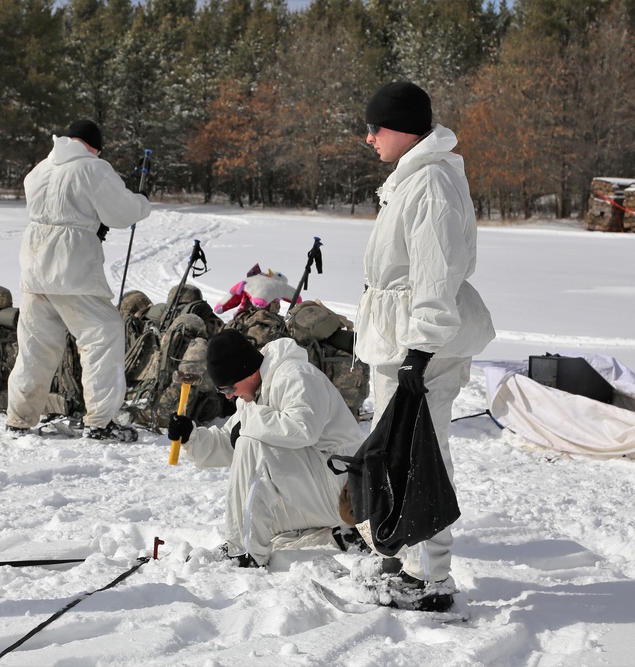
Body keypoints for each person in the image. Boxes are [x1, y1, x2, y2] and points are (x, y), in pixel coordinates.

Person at [355, 82, 495, 611]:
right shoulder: (411, 179)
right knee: (399, 454)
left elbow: (436, 275)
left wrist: (420, 349)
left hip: (420, 349)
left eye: (375, 128)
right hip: (400, 343)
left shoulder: (431, 183)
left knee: (423, 458)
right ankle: (400, 555)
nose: (369, 138)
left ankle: (432, 578)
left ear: (400, 127)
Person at [168, 329, 364, 568]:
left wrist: (249, 425)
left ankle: (246, 553)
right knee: (255, 520)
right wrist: (191, 438)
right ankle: (338, 536)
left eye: (228, 388)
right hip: (319, 492)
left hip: (345, 489)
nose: (229, 396)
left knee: (255, 445)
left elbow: (302, 428)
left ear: (246, 372)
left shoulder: (296, 376)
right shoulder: (256, 394)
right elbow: (230, 441)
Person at [6, 119, 151, 440]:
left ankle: (19, 419)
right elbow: (122, 213)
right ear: (93, 145)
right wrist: (141, 200)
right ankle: (100, 421)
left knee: (34, 348)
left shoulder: (40, 169)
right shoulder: (93, 168)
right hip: (72, 270)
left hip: (33, 268)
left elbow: (63, 211)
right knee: (103, 336)